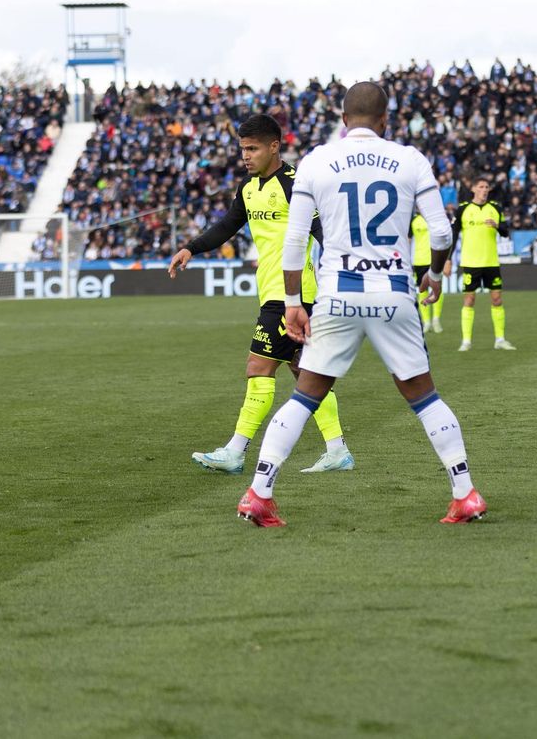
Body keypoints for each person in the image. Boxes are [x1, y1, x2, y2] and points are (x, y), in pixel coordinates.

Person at [237, 80, 485, 527]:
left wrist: (293, 300)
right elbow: (443, 234)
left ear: (344, 120)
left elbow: (295, 241)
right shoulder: (409, 159)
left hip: (337, 293)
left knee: (305, 394)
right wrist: (433, 274)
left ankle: (260, 491)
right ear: (386, 121)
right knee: (425, 397)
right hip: (393, 290)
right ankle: (464, 492)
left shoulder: (316, 161)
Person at [167, 114, 354, 476]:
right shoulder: (249, 188)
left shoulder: (296, 184)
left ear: (274, 146)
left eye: (253, 149)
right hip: (274, 290)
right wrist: (192, 247)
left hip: (293, 294)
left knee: (258, 367)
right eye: (243, 149)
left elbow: (324, 232)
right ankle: (337, 450)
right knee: (304, 372)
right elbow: (227, 225)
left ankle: (235, 451)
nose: (246, 156)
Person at [454, 177, 515, 351]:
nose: (484, 190)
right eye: (481, 187)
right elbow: (454, 233)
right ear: (473, 189)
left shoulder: (495, 208)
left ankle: (500, 339)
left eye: (487, 187)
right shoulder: (463, 209)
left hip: (491, 262)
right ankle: (466, 341)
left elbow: (505, 232)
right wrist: (449, 259)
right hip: (471, 262)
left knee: (496, 299)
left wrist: (497, 225)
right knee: (469, 299)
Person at [411, 211, 445, 333]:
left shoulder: (436, 218)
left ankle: (436, 319)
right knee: (422, 290)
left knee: (437, 289)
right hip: (419, 260)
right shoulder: (413, 220)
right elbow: (407, 240)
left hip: (435, 259)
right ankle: (426, 322)